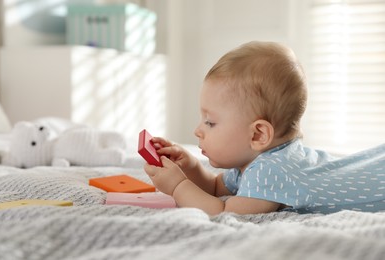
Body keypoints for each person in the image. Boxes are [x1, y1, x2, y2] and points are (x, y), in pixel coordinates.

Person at [144, 41, 385, 215]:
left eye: (210, 122)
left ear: (258, 134)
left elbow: (225, 211)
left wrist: (178, 186)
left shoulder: (271, 169)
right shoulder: (257, 158)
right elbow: (217, 188)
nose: (198, 130)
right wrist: (190, 166)